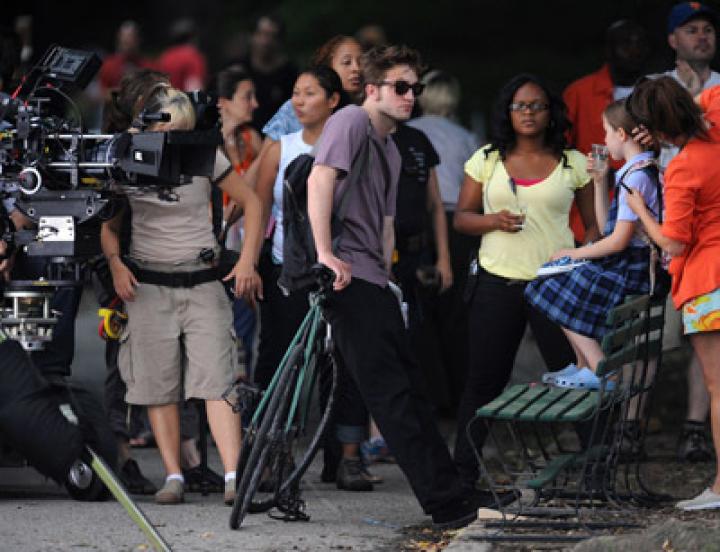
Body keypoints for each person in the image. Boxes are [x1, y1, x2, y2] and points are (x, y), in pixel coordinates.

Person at [307, 44, 512, 529]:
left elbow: (384, 221)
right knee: (391, 395)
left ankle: (455, 488)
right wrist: (324, 252)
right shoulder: (351, 122)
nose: (410, 96)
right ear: (373, 88)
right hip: (345, 275)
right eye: (400, 87)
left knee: (414, 389)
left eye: (415, 88)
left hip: (374, 277)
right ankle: (445, 504)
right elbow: (320, 180)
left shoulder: (393, 143)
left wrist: (388, 278)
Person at [102, 87, 263, 506]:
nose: (174, 137)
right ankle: (173, 475)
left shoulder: (203, 155)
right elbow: (108, 225)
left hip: (201, 279)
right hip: (149, 285)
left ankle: (233, 475)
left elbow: (253, 201)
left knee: (218, 381)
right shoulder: (129, 159)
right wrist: (116, 265)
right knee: (158, 385)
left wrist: (247, 261)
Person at [452, 73, 599, 488]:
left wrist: (582, 260)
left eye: (537, 105)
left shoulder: (573, 161)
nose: (529, 113)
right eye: (520, 106)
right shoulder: (487, 158)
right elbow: (461, 219)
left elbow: (592, 228)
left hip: (556, 287)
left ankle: (596, 471)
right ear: (507, 112)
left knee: (573, 375)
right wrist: (492, 220)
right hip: (497, 284)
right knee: (483, 380)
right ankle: (462, 475)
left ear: (550, 113)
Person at [625, 77, 720, 511]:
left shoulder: (683, 168)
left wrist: (641, 210)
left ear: (657, 130)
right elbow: (705, 101)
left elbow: (673, 243)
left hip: (705, 283)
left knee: (719, 389)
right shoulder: (716, 131)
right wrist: (671, 106)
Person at [525, 100, 660, 389]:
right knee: (555, 277)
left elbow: (617, 242)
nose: (604, 140)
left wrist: (573, 252)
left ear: (622, 135)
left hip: (628, 269)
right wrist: (599, 181)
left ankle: (602, 369)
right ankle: (583, 366)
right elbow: (607, 228)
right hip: (628, 263)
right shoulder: (634, 170)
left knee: (547, 284)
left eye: (607, 132)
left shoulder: (636, 176)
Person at [653, 1, 720, 462]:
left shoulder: (718, 94)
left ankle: (700, 436)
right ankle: (634, 425)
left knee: (713, 369)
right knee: (651, 338)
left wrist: (639, 209)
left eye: (707, 29)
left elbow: (673, 238)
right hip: (674, 245)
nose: (701, 36)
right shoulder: (654, 90)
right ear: (673, 39)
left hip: (692, 249)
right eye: (690, 29)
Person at [407, 70, 479, 412]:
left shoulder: (410, 133)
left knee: (423, 312)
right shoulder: (466, 137)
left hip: (419, 221)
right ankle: (459, 393)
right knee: (457, 311)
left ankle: (432, 394)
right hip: (460, 222)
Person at [563, 19, 651, 242]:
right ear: (608, 51)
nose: (634, 50)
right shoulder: (579, 93)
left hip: (646, 206)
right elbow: (559, 150)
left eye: (640, 43)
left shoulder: (656, 92)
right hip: (589, 210)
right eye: (625, 44)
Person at [215, 65, 263, 372]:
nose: (255, 103)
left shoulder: (251, 139)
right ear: (224, 102)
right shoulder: (206, 145)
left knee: (245, 333)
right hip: (217, 244)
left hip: (248, 243)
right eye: (247, 96)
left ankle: (243, 407)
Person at [237, 14, 298, 130]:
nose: (266, 42)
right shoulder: (238, 70)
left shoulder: (290, 74)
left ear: (280, 41)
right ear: (252, 36)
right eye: (261, 34)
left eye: (272, 36)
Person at [98, 21, 155, 96]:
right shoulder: (109, 65)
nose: (127, 42)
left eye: (131, 38)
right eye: (125, 40)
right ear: (119, 40)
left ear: (138, 40)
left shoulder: (148, 65)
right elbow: (101, 94)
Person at [158, 18, 207, 92]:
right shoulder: (192, 56)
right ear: (193, 37)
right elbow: (194, 88)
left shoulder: (165, 56)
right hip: (183, 102)